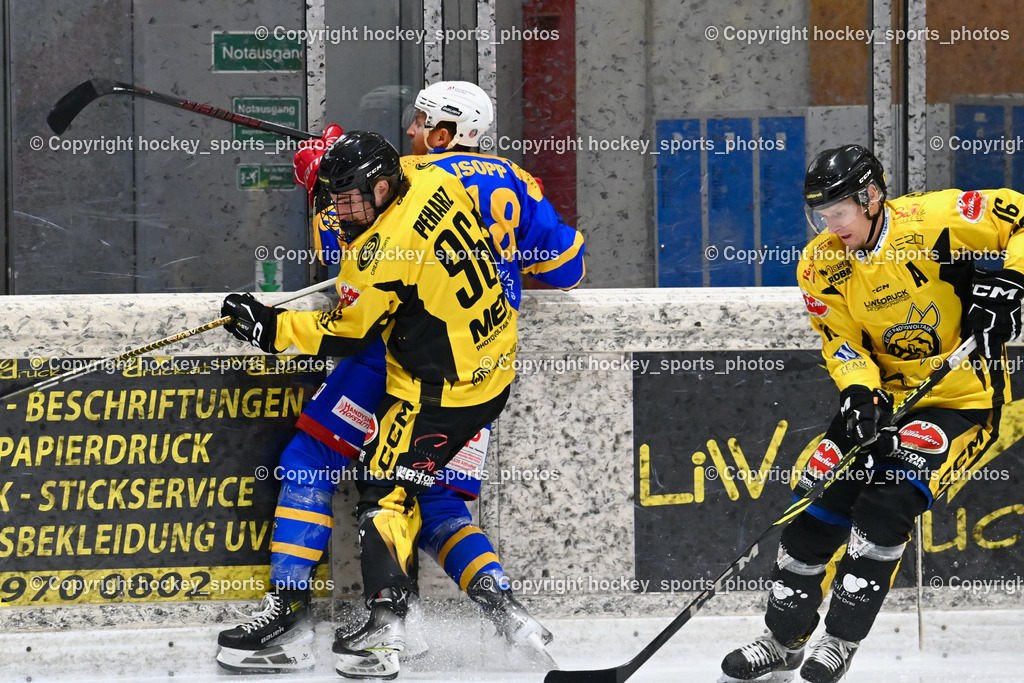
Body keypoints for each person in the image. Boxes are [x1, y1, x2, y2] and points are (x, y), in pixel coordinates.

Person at [216, 81, 584, 679]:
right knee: (433, 496)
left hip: (399, 365)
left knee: (320, 465)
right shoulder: (487, 179)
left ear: (442, 134)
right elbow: (570, 267)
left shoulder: (394, 210)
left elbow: (347, 294)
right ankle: (502, 607)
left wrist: (318, 187)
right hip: (486, 364)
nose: (410, 131)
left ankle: (298, 616)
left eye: (419, 123)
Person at [720, 144, 1024, 683]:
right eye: (820, 213)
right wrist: (859, 395)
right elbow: (841, 343)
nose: (830, 224)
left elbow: (1021, 218)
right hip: (883, 402)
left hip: (959, 399)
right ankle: (783, 640)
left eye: (839, 210)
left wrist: (1014, 282)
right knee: (814, 501)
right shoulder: (820, 264)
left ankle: (838, 641)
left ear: (872, 195)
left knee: (887, 502)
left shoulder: (933, 222)